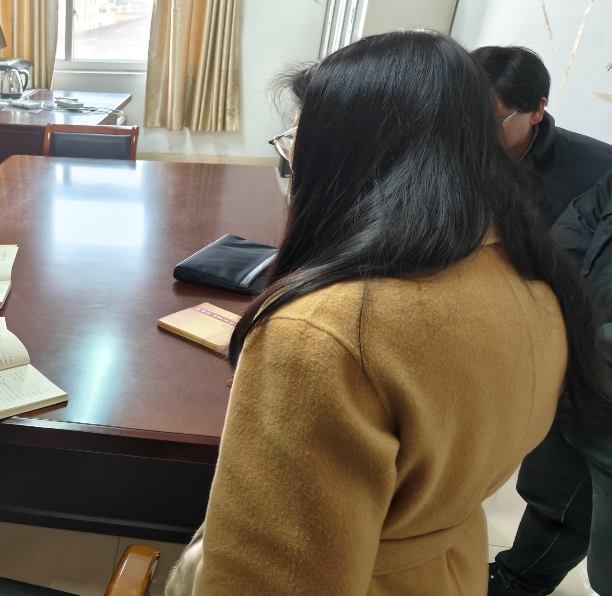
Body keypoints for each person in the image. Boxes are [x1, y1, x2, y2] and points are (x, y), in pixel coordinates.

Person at [165, 30, 611, 595]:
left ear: (347, 155)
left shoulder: (324, 333)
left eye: (296, 141)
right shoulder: (536, 284)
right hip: (451, 571)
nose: (291, 160)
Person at [487, 174, 612, 595]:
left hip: (592, 373)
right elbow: (563, 245)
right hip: (580, 383)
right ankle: (515, 582)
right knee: (551, 497)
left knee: (607, 570)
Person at [471, 45, 612, 224]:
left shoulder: (599, 172)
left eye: (494, 121)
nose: (474, 131)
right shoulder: (451, 148)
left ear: (537, 110)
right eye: (464, 117)